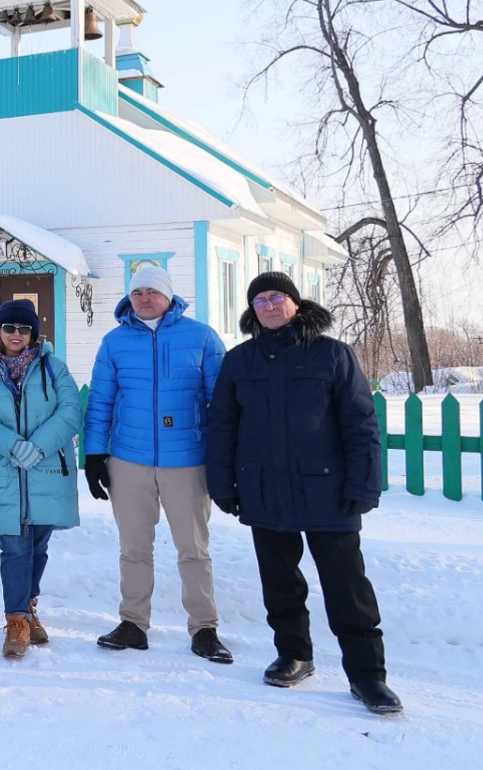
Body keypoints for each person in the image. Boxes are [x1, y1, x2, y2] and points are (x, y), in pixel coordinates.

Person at [207, 272, 401, 715]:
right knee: (280, 582)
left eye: (277, 297)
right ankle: (295, 653)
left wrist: (363, 482)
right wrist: (223, 483)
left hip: (327, 490)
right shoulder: (240, 361)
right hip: (263, 490)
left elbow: (360, 425)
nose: (269, 306)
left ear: (295, 302)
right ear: (251, 310)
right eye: (260, 300)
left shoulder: (333, 355)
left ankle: (368, 676)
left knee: (347, 586)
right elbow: (222, 425)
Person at [84, 264, 232, 663]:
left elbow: (221, 403)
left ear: (169, 296)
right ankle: (133, 623)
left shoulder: (201, 337)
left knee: (193, 550)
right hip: (129, 461)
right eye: (137, 293)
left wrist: (221, 455)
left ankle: (204, 628)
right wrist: (95, 454)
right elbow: (100, 401)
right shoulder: (115, 342)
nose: (144, 298)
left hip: (187, 462)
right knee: (133, 548)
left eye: (152, 291)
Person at [0, 298, 81, 658]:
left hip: (46, 470)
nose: (16, 334)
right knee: (14, 547)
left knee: (38, 547)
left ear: (33, 334)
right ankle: (15, 619)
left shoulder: (54, 368)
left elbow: (70, 412)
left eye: (24, 329)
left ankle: (28, 608)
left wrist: (38, 446)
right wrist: (15, 446)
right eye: (9, 328)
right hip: (5, 470)